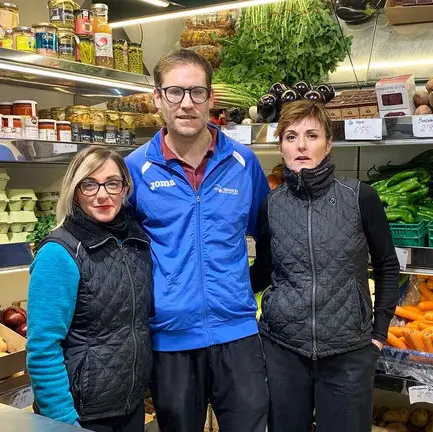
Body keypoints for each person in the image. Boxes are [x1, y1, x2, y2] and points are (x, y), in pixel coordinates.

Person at [124, 49, 270, 432]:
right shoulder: (135, 169)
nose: (186, 104)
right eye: (175, 92)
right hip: (170, 338)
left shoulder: (243, 163)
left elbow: (269, 238)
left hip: (237, 333)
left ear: (210, 99)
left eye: (197, 93)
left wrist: (239, 287)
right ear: (158, 98)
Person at [250, 100, 401, 432]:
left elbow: (388, 266)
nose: (301, 145)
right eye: (291, 136)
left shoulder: (360, 197)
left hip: (348, 353)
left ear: (328, 144)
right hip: (283, 351)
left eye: (312, 135)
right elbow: (262, 270)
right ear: (281, 147)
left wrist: (378, 335)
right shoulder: (270, 206)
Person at [26, 147, 153, 432]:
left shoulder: (136, 242)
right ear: (75, 191)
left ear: (125, 188)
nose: (102, 194)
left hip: (130, 406)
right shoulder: (59, 253)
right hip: (81, 416)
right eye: (89, 184)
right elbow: (42, 348)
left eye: (112, 183)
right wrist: (64, 421)